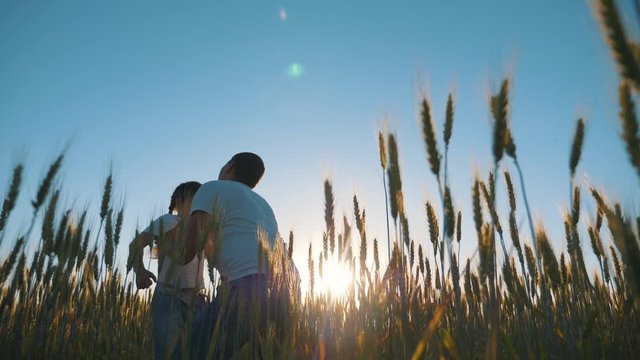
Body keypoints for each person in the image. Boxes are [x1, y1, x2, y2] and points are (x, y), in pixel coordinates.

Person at [185, 152, 293, 359]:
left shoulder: (210, 188)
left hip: (247, 286)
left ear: (229, 167)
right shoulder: (263, 204)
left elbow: (187, 252)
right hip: (286, 292)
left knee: (192, 349)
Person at [127, 181, 208, 360]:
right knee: (171, 354)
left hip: (197, 299)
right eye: (196, 197)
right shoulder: (169, 220)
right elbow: (135, 245)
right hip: (170, 296)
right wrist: (140, 272)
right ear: (180, 200)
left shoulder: (201, 229)